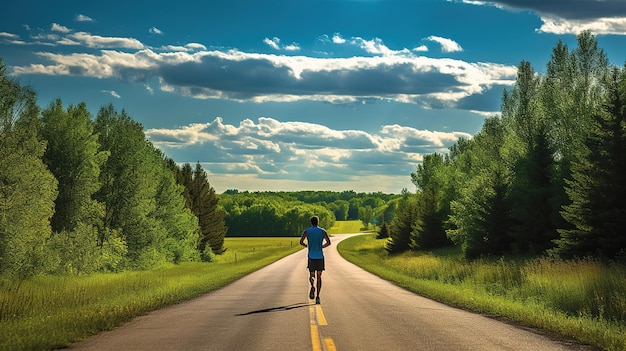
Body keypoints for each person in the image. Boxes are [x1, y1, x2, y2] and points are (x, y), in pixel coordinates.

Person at [300, 216, 331, 304]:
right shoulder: (322, 231)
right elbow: (328, 242)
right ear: (318, 222)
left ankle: (312, 285)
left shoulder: (307, 231)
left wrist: (307, 246)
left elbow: (301, 242)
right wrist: (322, 246)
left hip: (311, 257)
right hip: (320, 257)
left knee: (312, 275)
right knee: (319, 277)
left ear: (311, 222)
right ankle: (317, 296)